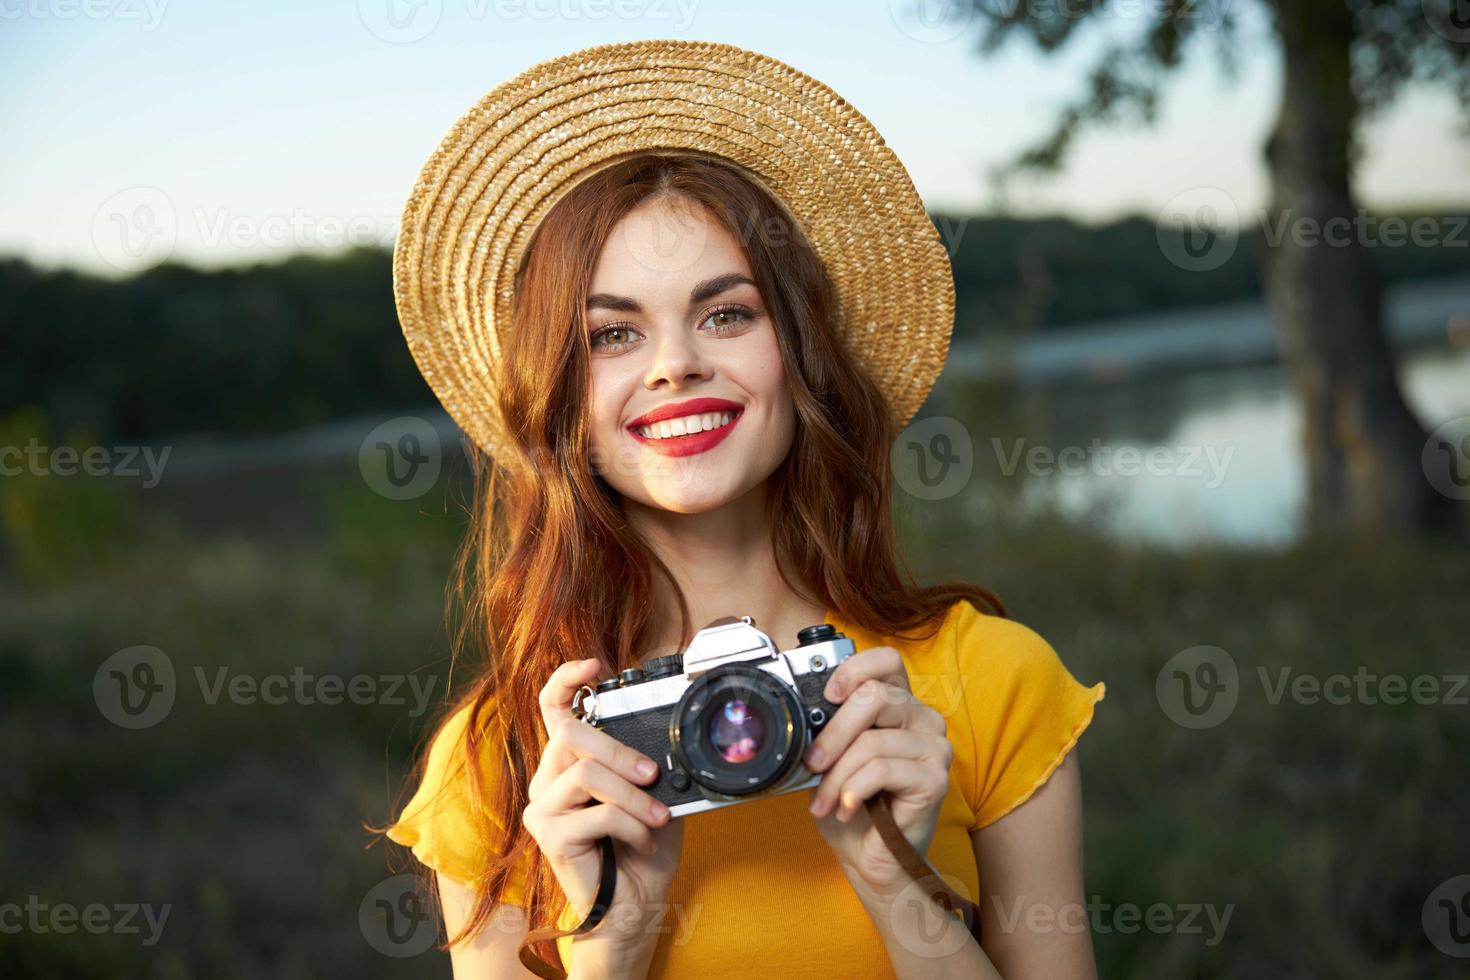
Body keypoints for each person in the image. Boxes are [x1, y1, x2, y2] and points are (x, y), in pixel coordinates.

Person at [380, 40, 1106, 979]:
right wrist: (614, 937)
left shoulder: (988, 680)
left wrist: (899, 883)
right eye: (611, 334)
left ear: (798, 353)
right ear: (560, 394)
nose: (674, 364)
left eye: (728, 313)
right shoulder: (506, 758)